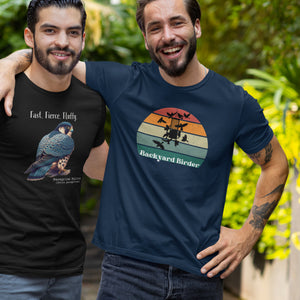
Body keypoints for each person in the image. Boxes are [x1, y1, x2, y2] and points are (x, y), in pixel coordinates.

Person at [0, 0, 289, 299]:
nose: (167, 36)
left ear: (197, 26)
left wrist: (249, 233)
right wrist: (8, 65)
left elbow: (276, 164)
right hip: (127, 274)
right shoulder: (123, 83)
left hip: (201, 273)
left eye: (177, 23)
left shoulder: (235, 103)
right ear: (146, 38)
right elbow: (56, 55)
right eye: (155, 28)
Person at [0, 0, 108, 299]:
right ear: (29, 37)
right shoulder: (5, 91)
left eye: (73, 32)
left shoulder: (91, 103)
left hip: (69, 269)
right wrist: (7, 64)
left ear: (83, 39)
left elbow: (100, 166)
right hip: (9, 271)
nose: (63, 41)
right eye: (50, 30)